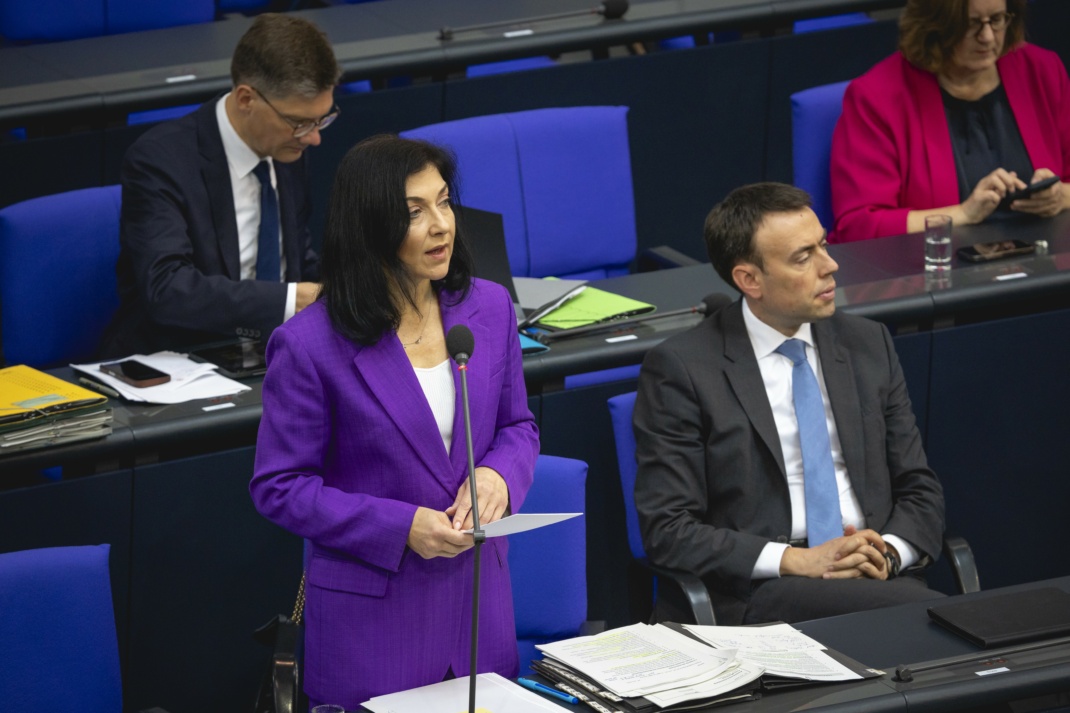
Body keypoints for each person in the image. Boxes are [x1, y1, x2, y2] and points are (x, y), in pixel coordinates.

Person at [249, 135, 539, 708]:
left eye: (445, 202)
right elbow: (280, 487)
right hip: (373, 630)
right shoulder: (309, 344)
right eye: (414, 212)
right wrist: (401, 525)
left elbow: (518, 427)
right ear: (368, 225)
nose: (441, 226)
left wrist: (498, 477)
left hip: (480, 615)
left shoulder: (488, 308)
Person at [634, 182, 946, 625]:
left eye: (823, 245)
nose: (830, 265)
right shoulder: (683, 368)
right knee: (938, 623)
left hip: (874, 577)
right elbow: (668, 530)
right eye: (804, 257)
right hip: (760, 593)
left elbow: (919, 486)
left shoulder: (867, 343)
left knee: (942, 630)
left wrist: (889, 554)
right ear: (749, 280)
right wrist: (799, 561)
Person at [98, 14, 341, 358]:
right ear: (246, 100)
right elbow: (167, 289)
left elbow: (297, 258)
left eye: (322, 120)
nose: (314, 137)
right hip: (186, 361)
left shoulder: (288, 148)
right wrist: (291, 300)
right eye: (300, 122)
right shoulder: (160, 161)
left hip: (281, 359)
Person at [830, 0, 1070, 243]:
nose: (987, 37)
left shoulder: (1042, 70)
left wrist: (1060, 197)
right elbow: (860, 225)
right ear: (934, 26)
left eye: (996, 20)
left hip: (1046, 263)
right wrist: (963, 213)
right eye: (970, 24)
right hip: (937, 270)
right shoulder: (876, 97)